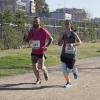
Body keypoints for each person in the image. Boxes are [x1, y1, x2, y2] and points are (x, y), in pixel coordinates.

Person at [24, 17, 53, 84]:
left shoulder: (43, 30)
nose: (35, 22)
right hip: (34, 51)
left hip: (41, 52)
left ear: (39, 22)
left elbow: (51, 39)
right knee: (34, 66)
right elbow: (28, 39)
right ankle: (38, 79)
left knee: (41, 66)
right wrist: (25, 40)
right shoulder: (31, 31)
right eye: (34, 21)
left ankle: (45, 71)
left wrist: (46, 46)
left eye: (36, 21)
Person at [58, 20, 82, 88]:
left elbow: (80, 42)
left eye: (68, 24)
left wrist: (73, 44)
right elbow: (59, 43)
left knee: (69, 70)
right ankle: (69, 82)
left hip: (72, 55)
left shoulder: (73, 34)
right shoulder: (63, 34)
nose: (67, 25)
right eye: (65, 24)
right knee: (64, 71)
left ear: (71, 25)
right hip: (64, 54)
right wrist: (60, 43)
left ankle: (74, 69)